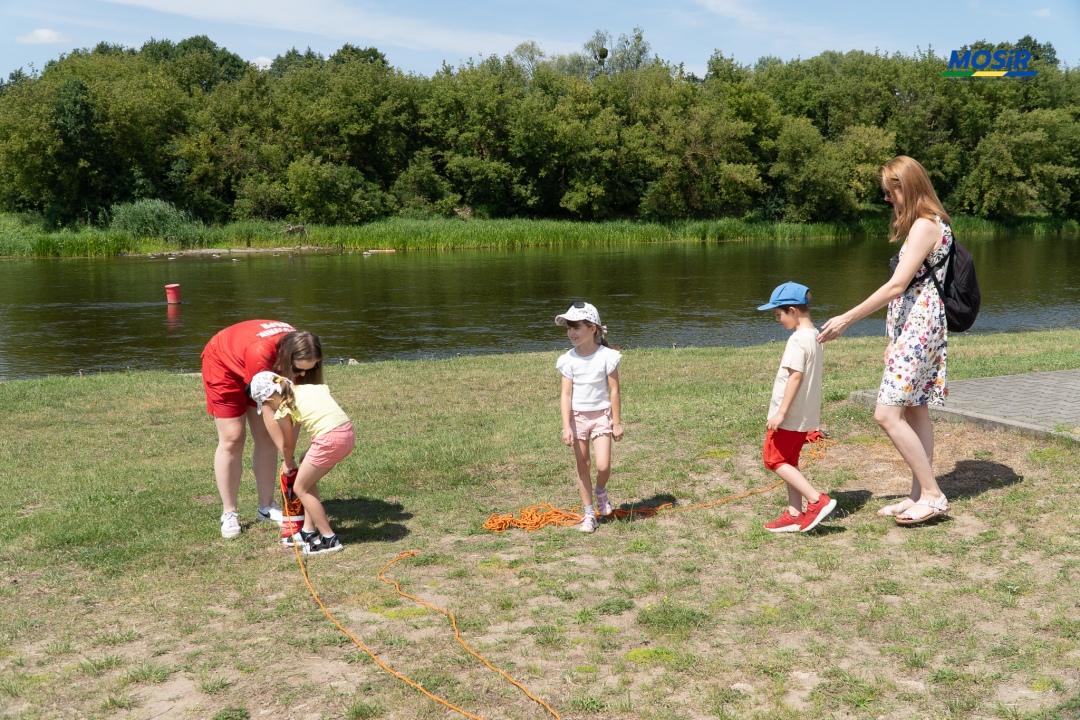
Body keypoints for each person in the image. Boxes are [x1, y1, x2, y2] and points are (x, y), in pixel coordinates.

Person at [818, 155, 952, 525]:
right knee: (915, 408)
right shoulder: (920, 227)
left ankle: (933, 494)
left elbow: (898, 286)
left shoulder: (926, 225)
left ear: (905, 186)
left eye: (889, 192)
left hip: (921, 326)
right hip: (914, 327)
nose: (887, 199)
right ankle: (917, 494)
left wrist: (847, 317)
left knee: (887, 413)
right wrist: (892, 337)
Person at [201, 321, 323, 538]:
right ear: (287, 358)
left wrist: (289, 455)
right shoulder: (260, 353)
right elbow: (271, 413)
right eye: (298, 370)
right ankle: (229, 512)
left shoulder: (304, 346)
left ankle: (266, 508)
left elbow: (294, 410)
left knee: (266, 437)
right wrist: (288, 461)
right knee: (233, 437)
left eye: (310, 369)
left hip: (259, 360)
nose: (303, 375)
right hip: (224, 363)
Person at [758, 282, 836, 533]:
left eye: (778, 314)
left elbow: (795, 377)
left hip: (790, 415)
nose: (777, 320)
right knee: (789, 461)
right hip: (804, 415)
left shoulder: (797, 340)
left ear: (792, 310)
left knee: (773, 459)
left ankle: (816, 500)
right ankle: (794, 512)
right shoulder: (816, 336)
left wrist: (780, 412)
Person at [250, 368, 353, 555]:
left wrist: (287, 463)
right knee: (307, 472)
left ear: (270, 397)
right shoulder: (308, 389)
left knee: (301, 488)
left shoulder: (283, 409)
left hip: (329, 440)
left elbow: (288, 445)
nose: (269, 407)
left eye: (266, 403)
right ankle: (308, 531)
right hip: (346, 433)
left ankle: (329, 539)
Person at [555, 301, 623, 533]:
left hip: (602, 416)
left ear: (593, 328)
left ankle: (601, 491)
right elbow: (565, 395)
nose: (571, 333)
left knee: (603, 465)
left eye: (577, 327)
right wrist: (566, 426)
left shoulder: (607, 357)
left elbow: (614, 391)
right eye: (569, 328)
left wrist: (617, 422)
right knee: (582, 465)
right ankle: (588, 514)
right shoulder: (568, 359)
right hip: (577, 418)